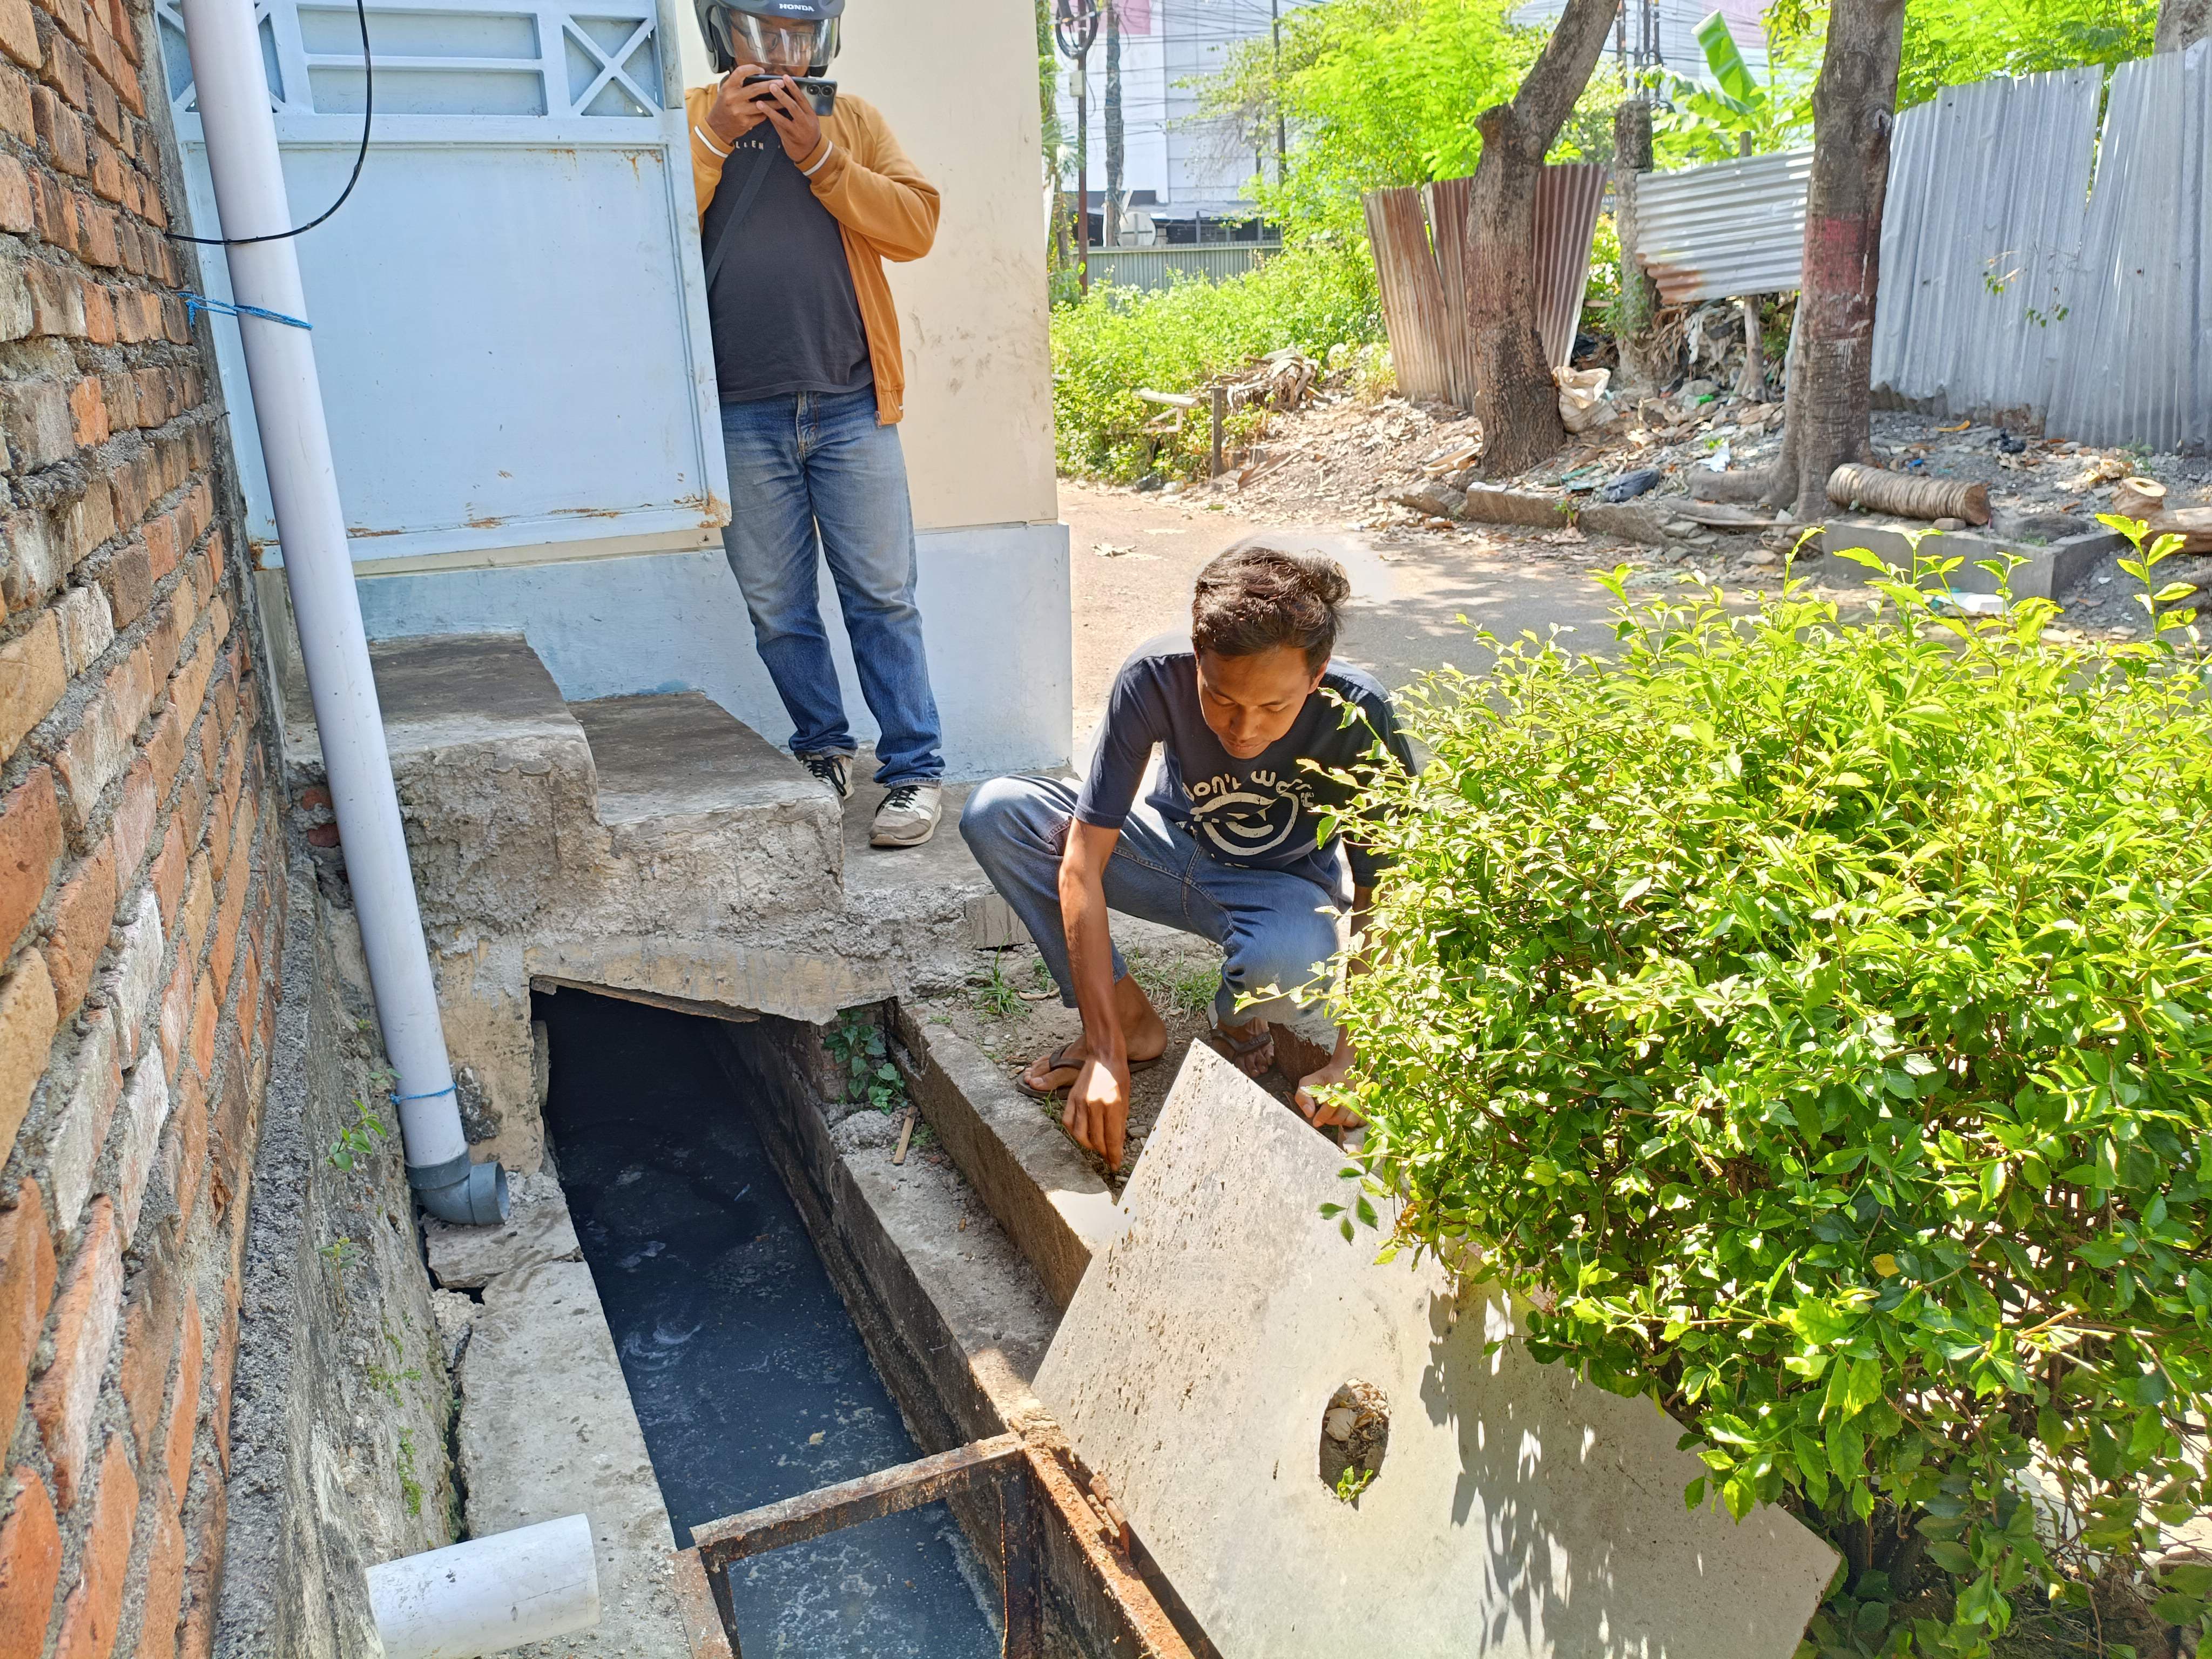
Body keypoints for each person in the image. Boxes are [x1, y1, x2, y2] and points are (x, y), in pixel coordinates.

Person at [960, 547, 1418, 1170]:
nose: (1244, 730)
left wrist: (1351, 1062)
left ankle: (1238, 1018)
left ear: (1315, 678)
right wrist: (1104, 1049)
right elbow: (1083, 861)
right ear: (1198, 659)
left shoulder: (1358, 714)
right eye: (1222, 699)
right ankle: (1131, 1026)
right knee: (1000, 812)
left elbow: (1383, 897)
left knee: (1293, 961)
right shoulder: (1154, 676)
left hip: (1278, 886)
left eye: (1274, 708)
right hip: (1164, 852)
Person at [687, 0, 946, 848]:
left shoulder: (855, 122)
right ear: (723, 32)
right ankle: (822, 750)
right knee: (777, 605)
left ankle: (913, 771)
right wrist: (715, 140)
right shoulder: (691, 119)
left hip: (851, 403)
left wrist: (823, 157)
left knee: (883, 597)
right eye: (763, 32)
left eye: (799, 35)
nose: (783, 53)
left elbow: (916, 226)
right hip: (737, 409)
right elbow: (641, 231)